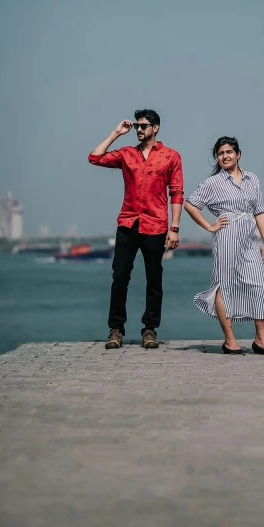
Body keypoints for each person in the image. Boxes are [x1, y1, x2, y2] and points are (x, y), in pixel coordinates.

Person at [88, 109, 183, 350]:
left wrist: (174, 228)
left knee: (154, 280)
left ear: (155, 128)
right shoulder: (126, 154)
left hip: (156, 224)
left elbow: (177, 193)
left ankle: (150, 329)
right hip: (128, 223)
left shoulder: (171, 156)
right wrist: (116, 133)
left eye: (143, 126)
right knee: (119, 277)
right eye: (137, 126)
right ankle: (116, 329)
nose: (139, 130)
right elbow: (94, 158)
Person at [184, 136, 264, 355]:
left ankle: (260, 340)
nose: (225, 156)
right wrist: (210, 226)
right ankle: (230, 341)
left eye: (228, 152)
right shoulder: (212, 183)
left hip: (249, 238)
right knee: (224, 285)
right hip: (226, 235)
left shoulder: (252, 178)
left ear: (238, 154)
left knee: (259, 284)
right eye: (220, 153)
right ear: (216, 157)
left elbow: (260, 211)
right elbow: (191, 205)